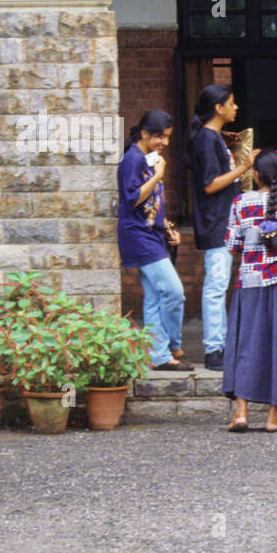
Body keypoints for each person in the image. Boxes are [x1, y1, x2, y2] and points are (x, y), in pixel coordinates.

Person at [222, 151, 277, 432]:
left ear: (255, 175)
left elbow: (232, 246)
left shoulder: (240, 202)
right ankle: (274, 417)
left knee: (246, 345)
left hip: (249, 284)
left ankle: (241, 413)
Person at [188, 85, 257, 371]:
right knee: (216, 286)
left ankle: (221, 345)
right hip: (217, 222)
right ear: (219, 107)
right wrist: (244, 167)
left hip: (222, 222)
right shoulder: (206, 139)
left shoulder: (212, 138)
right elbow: (210, 184)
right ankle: (214, 349)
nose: (236, 107)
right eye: (231, 102)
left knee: (220, 285)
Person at [117, 109, 187, 371]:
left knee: (155, 297)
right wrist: (158, 175)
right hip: (138, 235)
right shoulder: (131, 160)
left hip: (154, 234)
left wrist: (167, 226)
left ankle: (157, 355)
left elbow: (155, 200)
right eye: (161, 137)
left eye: (168, 137)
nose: (165, 143)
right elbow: (132, 198)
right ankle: (172, 343)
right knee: (174, 292)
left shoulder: (148, 157)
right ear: (144, 134)